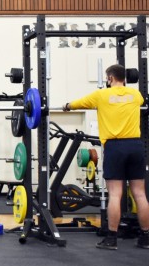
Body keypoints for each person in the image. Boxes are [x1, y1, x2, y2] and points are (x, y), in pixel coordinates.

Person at [63, 64, 149, 250]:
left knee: (116, 195)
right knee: (140, 194)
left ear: (109, 79)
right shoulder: (136, 95)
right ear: (124, 78)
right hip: (136, 145)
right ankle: (146, 237)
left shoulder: (100, 95)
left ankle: (111, 239)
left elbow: (76, 104)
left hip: (115, 147)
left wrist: (66, 106)